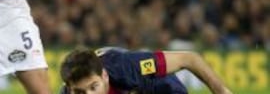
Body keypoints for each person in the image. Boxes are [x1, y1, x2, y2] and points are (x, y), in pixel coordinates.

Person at [59, 47, 233, 94]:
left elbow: (189, 59)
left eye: (93, 87)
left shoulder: (126, 68)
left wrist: (222, 91)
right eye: (80, 93)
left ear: (105, 76)